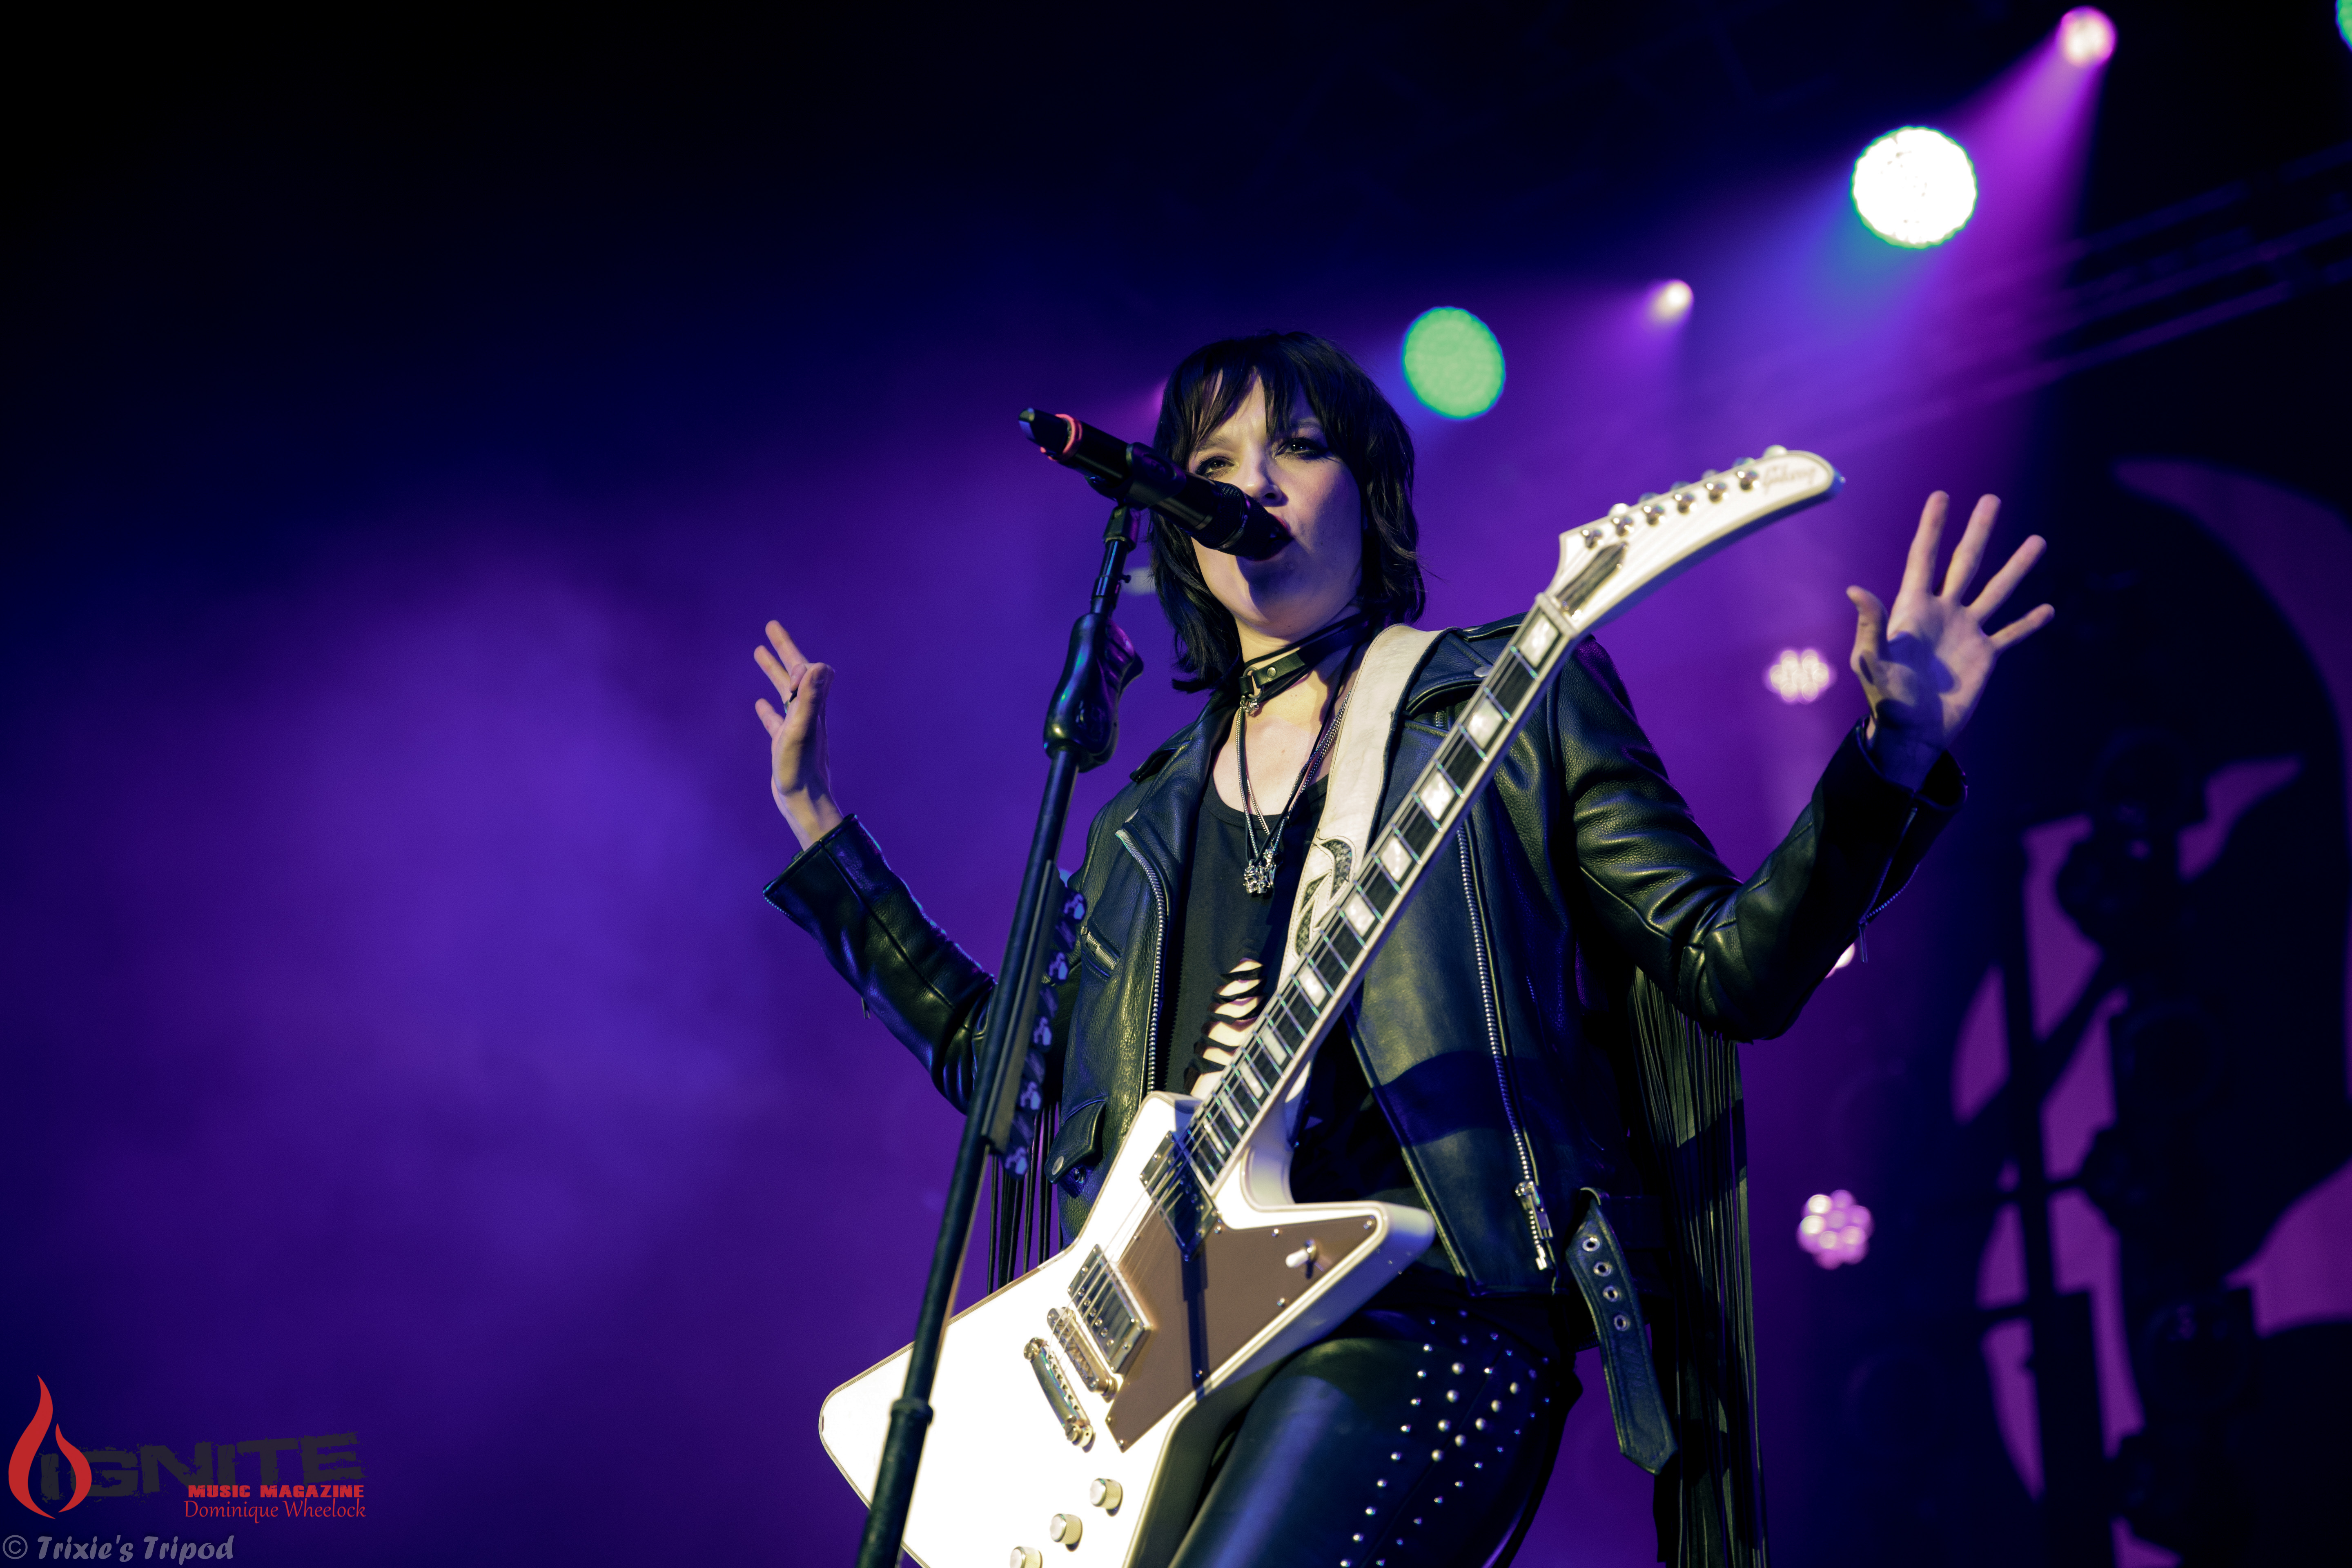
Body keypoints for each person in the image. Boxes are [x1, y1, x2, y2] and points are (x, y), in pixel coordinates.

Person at [755, 332, 2051, 1568]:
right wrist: (825, 839)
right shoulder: (1144, 823)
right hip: (1165, 1364)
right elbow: (1013, 1074)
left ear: (1368, 493)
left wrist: (1892, 758)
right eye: (1214, 463)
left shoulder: (1505, 701)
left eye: (1299, 447)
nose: (1255, 486)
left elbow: (1731, 969)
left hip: (1424, 1312)